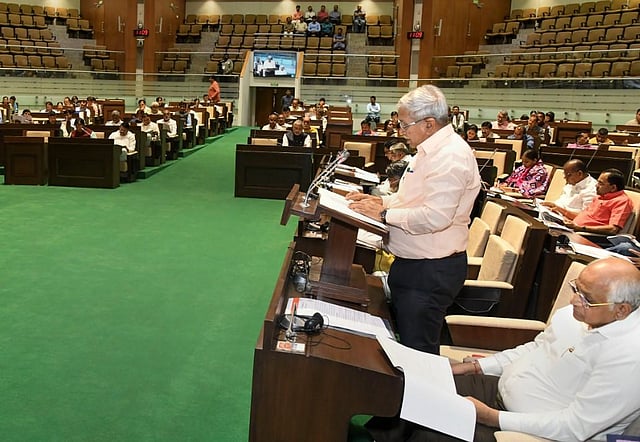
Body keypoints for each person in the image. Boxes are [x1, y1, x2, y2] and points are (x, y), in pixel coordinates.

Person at [367, 257, 640, 442]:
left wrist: (493, 417)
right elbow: (535, 348)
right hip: (499, 392)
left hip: (531, 432)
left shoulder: (629, 358)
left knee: (431, 433)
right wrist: (474, 367)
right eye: (576, 289)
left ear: (621, 310)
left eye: (586, 298)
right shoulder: (580, 314)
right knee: (416, 388)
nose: (573, 301)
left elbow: (575, 427)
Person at [347, 85, 481, 354]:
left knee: (418, 352)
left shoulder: (450, 156)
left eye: (405, 125)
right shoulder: (428, 150)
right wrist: (379, 202)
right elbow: (412, 199)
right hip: (415, 266)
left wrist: (383, 215)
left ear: (429, 124)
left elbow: (435, 217)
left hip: (430, 271)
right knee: (409, 346)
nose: (401, 131)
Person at [564, 168, 633, 235]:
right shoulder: (599, 196)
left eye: (601, 183)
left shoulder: (622, 201)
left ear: (613, 188)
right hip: (574, 230)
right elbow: (585, 216)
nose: (596, 185)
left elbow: (613, 229)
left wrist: (580, 228)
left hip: (587, 235)